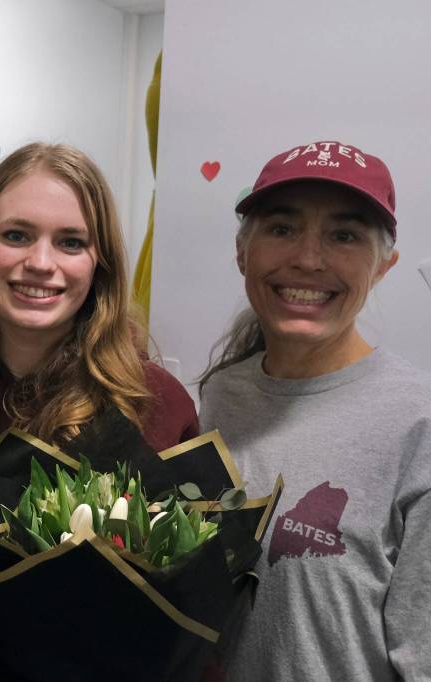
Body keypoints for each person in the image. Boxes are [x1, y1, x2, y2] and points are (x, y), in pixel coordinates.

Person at [198, 140, 430, 680]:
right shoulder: (220, 397)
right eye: (281, 229)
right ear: (242, 253)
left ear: (384, 265)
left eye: (344, 235)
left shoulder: (417, 425)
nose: (307, 258)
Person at [0, 142, 198, 500]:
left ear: (99, 262)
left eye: (70, 242)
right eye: (16, 235)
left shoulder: (154, 405)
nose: (40, 262)